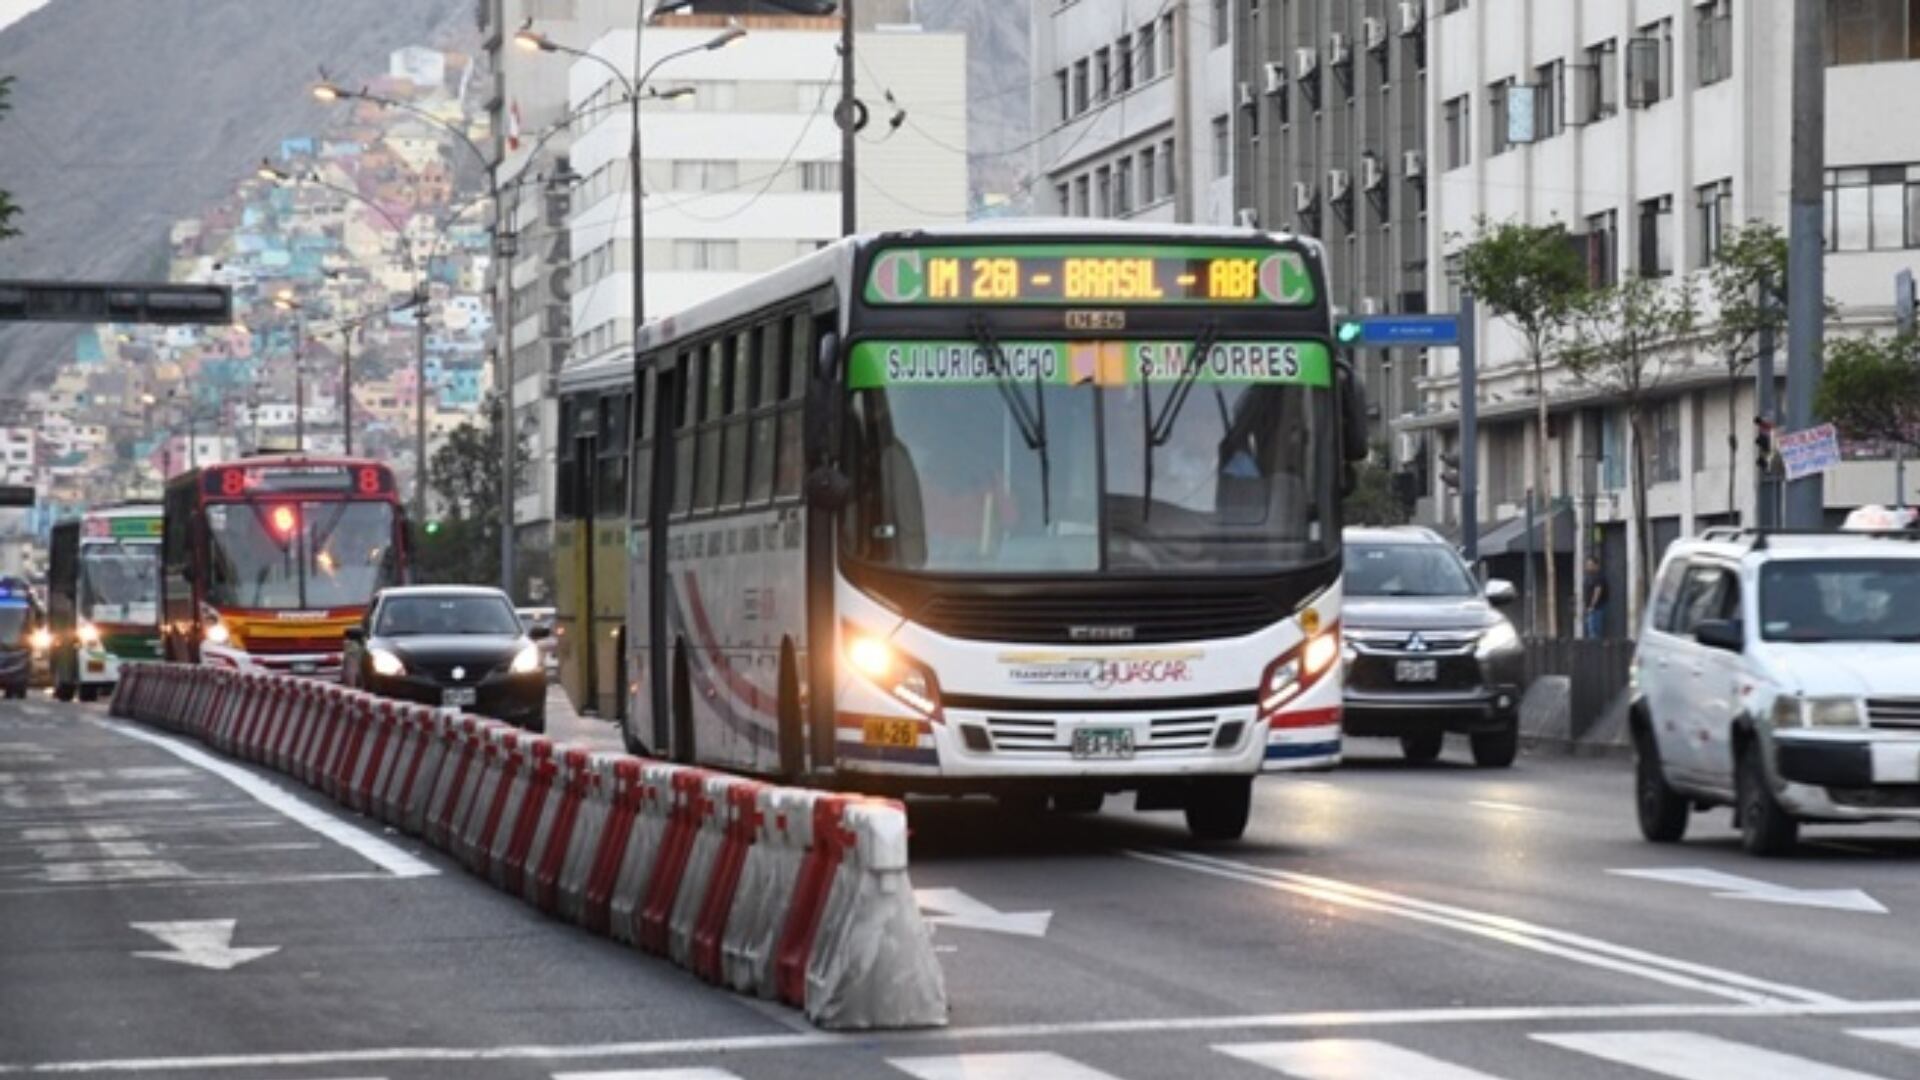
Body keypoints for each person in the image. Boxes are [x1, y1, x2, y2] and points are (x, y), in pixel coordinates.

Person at [1583, 555, 1609, 639]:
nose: (1588, 567)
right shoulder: (1589, 576)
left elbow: (1597, 592)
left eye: (1590, 565)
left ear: (1596, 565)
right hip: (1590, 608)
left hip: (1597, 608)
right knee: (1590, 630)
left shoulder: (1599, 577)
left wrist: (1592, 606)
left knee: (1594, 631)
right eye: (1587, 565)